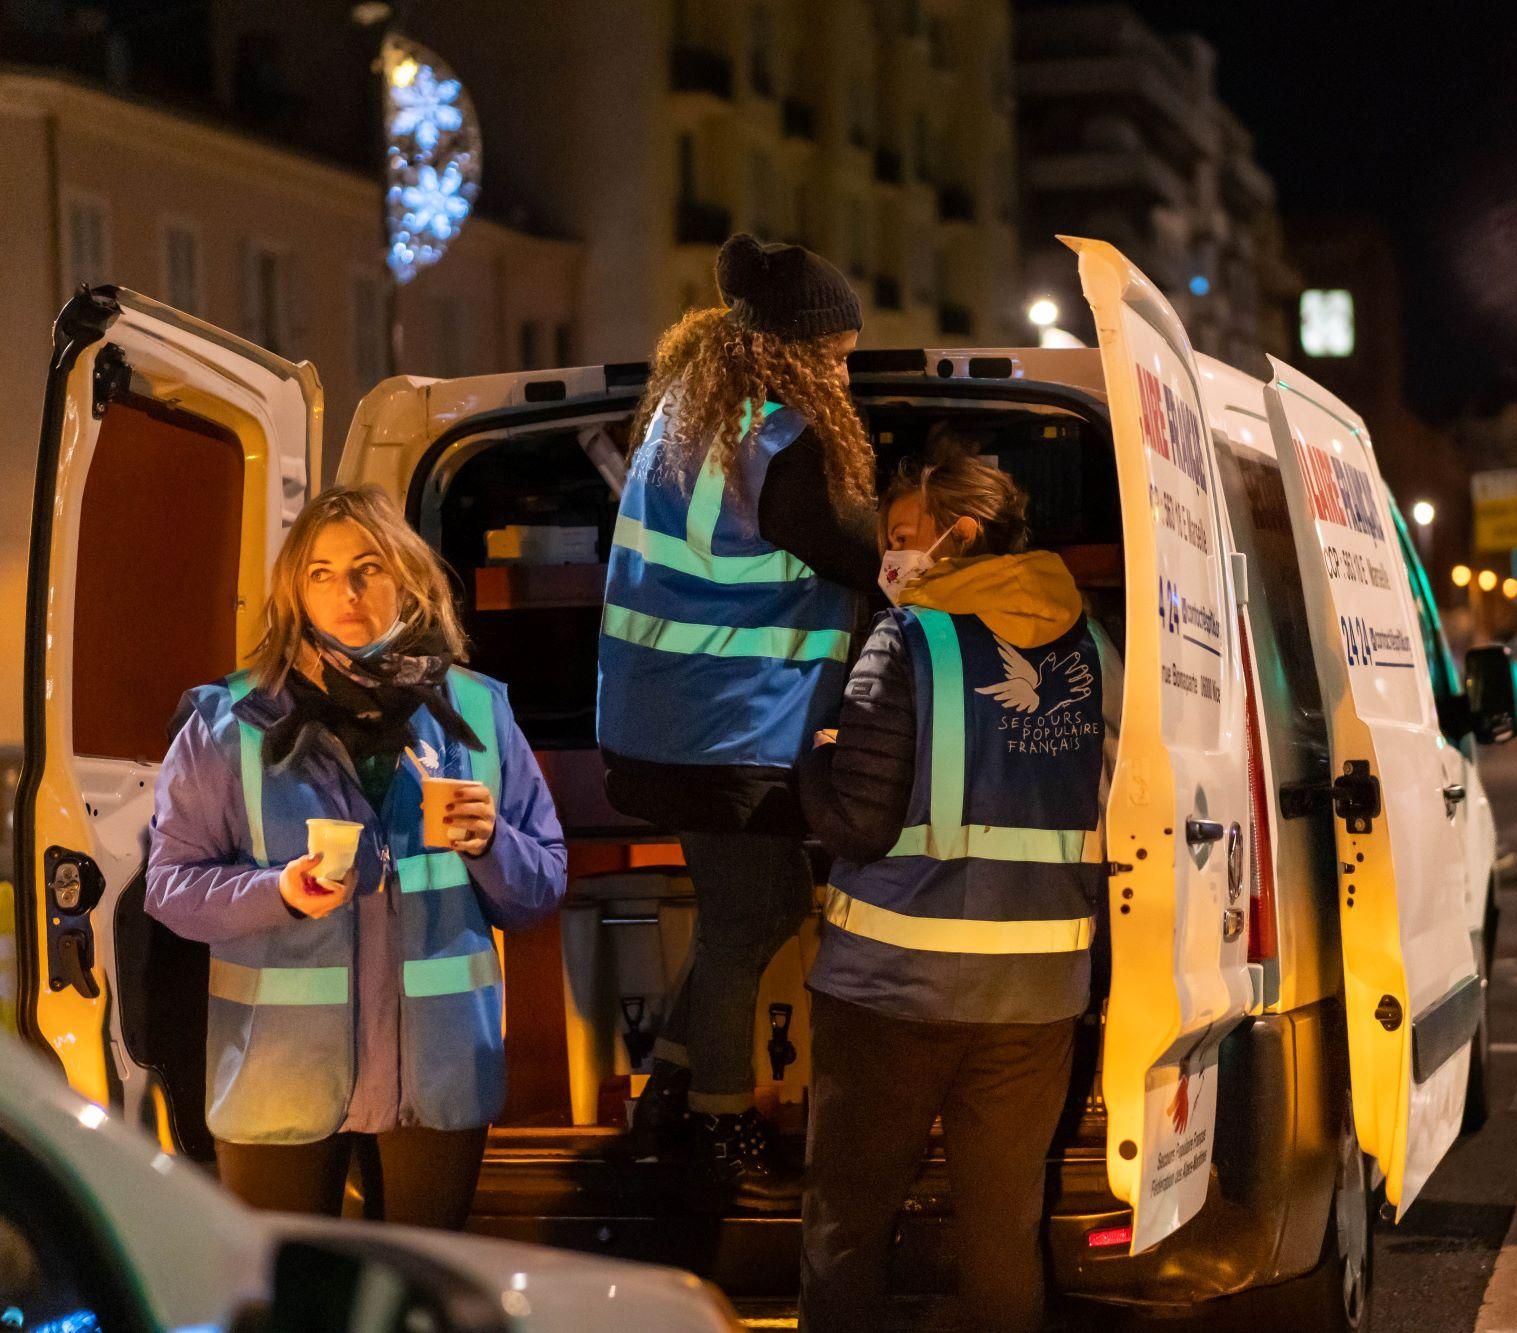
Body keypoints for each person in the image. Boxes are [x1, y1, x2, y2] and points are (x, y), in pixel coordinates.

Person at [146, 484, 567, 1227]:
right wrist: (276, 892)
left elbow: (541, 888)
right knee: (283, 1302)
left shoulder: (475, 711)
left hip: (436, 1081)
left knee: (419, 1295)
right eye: (321, 572)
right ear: (294, 591)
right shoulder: (229, 721)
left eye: (367, 567)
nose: (346, 590)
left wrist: (491, 842)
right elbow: (171, 887)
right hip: (283, 1082)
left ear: (406, 576)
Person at [795, 451, 1119, 1332]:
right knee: (1002, 1238)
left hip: (890, 994)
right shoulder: (1093, 649)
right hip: (1036, 1002)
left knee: (848, 1230)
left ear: (961, 535)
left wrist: (817, 749)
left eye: (904, 539)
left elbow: (854, 822)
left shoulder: (909, 639)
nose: (890, 561)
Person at [597, 233, 878, 1205]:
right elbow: (861, 554)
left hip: (669, 722)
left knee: (748, 914)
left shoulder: (687, 416)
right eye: (836, 353)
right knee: (743, 922)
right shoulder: (780, 440)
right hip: (723, 729)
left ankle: (667, 1095)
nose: (843, 370)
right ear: (791, 349)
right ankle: (717, 1127)